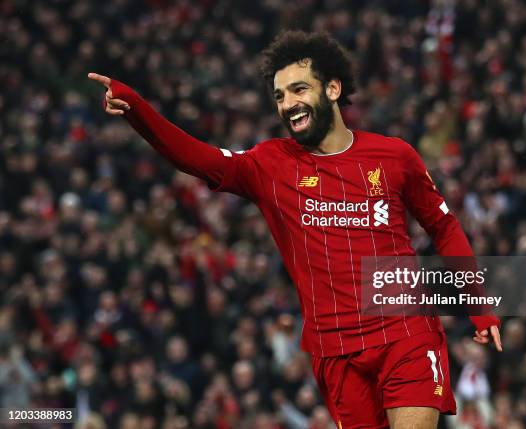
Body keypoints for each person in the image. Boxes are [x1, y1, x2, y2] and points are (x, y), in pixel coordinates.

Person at [88, 31, 502, 429]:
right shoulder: (270, 165)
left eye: (299, 89)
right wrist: (139, 110)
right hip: (334, 351)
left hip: (405, 333)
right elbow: (197, 158)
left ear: (333, 89)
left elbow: (443, 226)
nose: (288, 103)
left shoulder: (394, 157)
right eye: (280, 96)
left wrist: (479, 306)